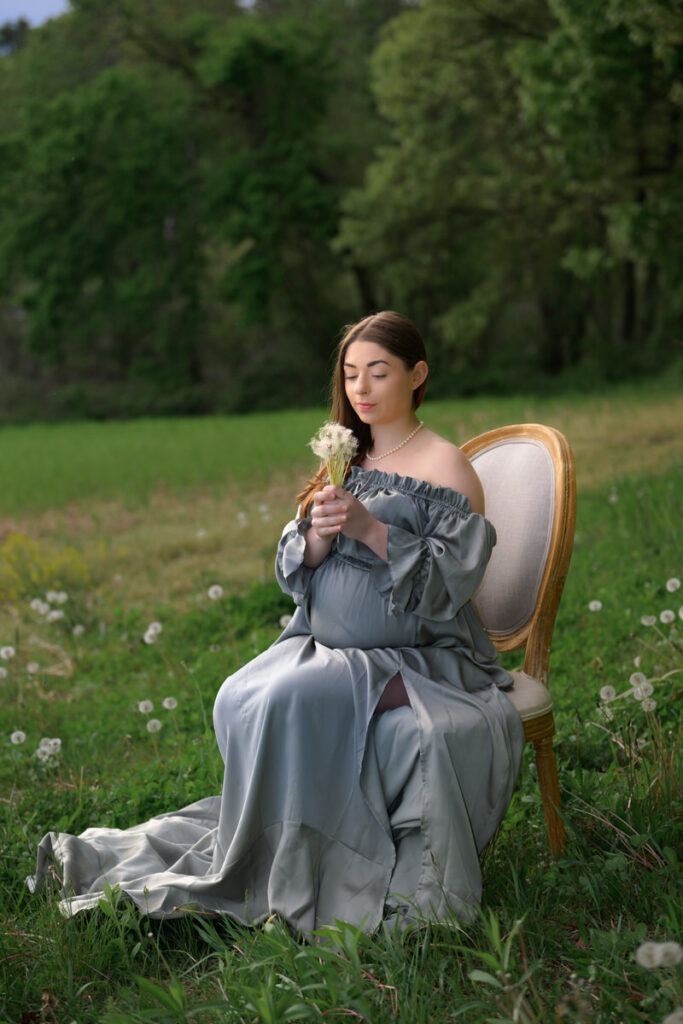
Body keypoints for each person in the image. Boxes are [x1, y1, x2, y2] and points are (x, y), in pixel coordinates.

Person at [30, 311, 524, 934]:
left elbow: (451, 586)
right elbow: (298, 566)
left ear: (417, 374)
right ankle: (274, 849)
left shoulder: (447, 468)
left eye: (378, 372)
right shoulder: (349, 458)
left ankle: (311, 871)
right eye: (350, 376)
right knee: (239, 693)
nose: (362, 390)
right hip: (323, 645)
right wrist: (314, 541)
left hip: (415, 653)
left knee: (289, 697)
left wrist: (372, 530)